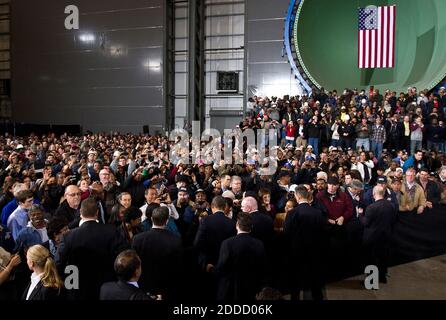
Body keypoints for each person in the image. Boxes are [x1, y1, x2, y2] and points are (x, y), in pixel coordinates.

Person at [55, 197, 126, 300]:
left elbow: (59, 263)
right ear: (97, 212)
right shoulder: (112, 232)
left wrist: (69, 282)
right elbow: (123, 257)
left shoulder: (68, 236)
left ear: (81, 212)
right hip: (106, 285)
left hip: (77, 287)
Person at [207, 212, 267, 301]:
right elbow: (262, 267)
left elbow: (221, 267)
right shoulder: (259, 244)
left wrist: (211, 268)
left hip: (231, 289)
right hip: (251, 287)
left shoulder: (227, 243)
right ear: (251, 227)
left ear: (237, 225)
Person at [283, 185, 327, 300]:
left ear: (297, 196)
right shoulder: (317, 213)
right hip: (315, 252)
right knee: (315, 281)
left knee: (295, 282)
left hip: (296, 253)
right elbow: (323, 232)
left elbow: (287, 234)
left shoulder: (292, 213)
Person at [132, 206, 183, 300]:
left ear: (151, 219)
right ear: (167, 221)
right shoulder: (176, 241)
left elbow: (133, 263)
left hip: (144, 285)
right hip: (167, 286)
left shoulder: (137, 239)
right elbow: (178, 267)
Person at [360, 186, 396, 285]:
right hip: (386, 237)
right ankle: (382, 277)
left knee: (372, 260)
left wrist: (360, 215)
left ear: (374, 194)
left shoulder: (371, 207)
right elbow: (393, 221)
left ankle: (371, 282)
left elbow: (365, 223)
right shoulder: (391, 206)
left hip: (373, 238)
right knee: (383, 258)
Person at [194, 196, 236, 270]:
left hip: (208, 261)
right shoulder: (232, 223)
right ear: (225, 206)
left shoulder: (205, 220)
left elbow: (197, 243)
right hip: (226, 262)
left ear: (212, 206)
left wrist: (204, 261)